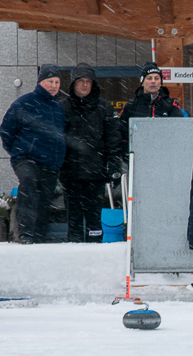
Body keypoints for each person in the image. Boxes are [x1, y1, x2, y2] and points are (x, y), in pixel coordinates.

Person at [0, 64, 66, 244]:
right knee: (28, 186)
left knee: (45, 198)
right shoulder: (24, 102)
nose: (54, 85)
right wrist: (17, 151)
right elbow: (6, 130)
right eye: (49, 81)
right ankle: (25, 234)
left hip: (50, 163)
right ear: (40, 82)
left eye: (57, 82)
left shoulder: (58, 109)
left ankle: (38, 237)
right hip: (26, 158)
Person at [60, 63, 121, 243]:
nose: (85, 85)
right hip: (71, 174)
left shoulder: (104, 108)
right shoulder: (62, 108)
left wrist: (113, 167)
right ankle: (74, 252)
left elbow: (113, 140)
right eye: (81, 81)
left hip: (96, 174)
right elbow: (56, 140)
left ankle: (96, 254)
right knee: (74, 219)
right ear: (73, 84)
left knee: (95, 220)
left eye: (88, 81)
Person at [119, 62, 184, 157]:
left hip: (166, 156)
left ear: (161, 83)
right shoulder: (131, 105)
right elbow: (122, 134)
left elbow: (180, 131)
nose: (153, 81)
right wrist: (127, 155)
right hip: (138, 157)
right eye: (149, 78)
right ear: (142, 82)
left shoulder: (171, 104)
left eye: (156, 78)